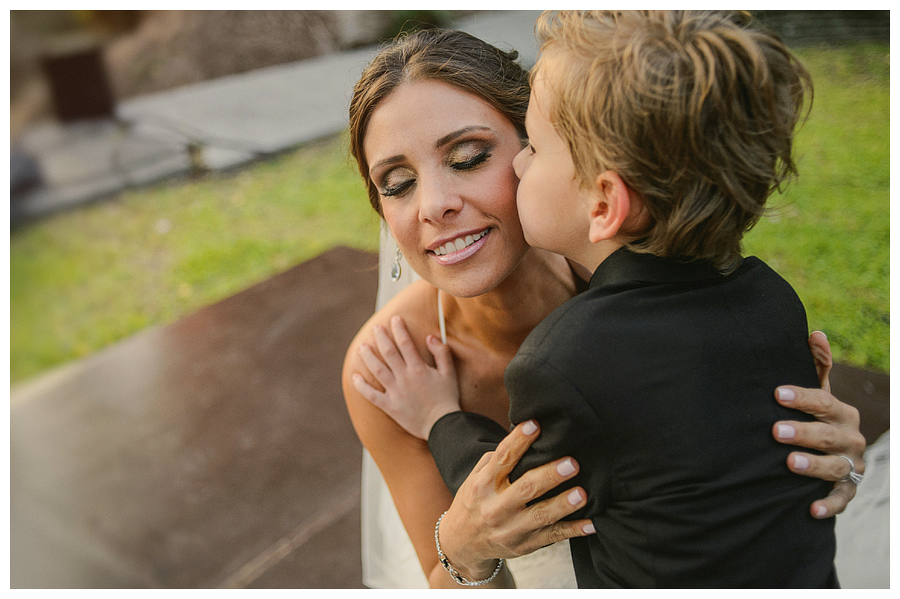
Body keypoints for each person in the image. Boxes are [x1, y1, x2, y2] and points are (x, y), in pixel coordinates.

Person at [342, 25, 866, 589]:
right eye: (396, 184)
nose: (434, 206)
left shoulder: (611, 324)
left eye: (469, 157)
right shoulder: (385, 368)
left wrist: (823, 451)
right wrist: (461, 545)